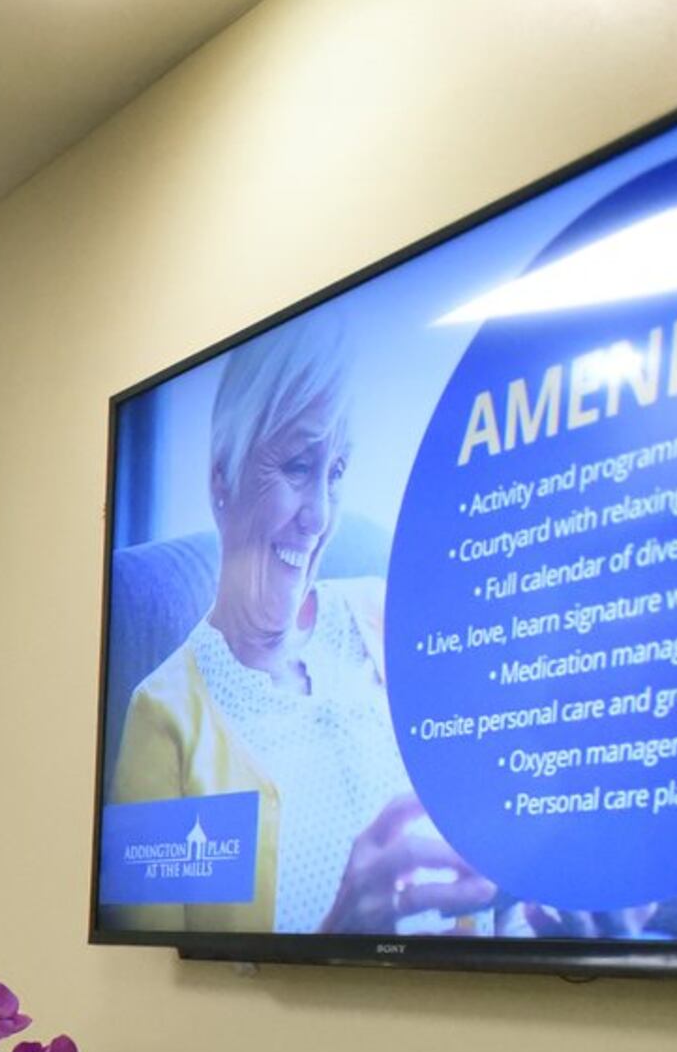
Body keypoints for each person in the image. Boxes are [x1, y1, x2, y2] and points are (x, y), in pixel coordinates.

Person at [109, 313, 509, 937]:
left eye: (338, 471)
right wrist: (338, 939)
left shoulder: (389, 616)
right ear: (223, 477)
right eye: (298, 467)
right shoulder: (164, 717)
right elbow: (167, 979)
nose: (319, 515)